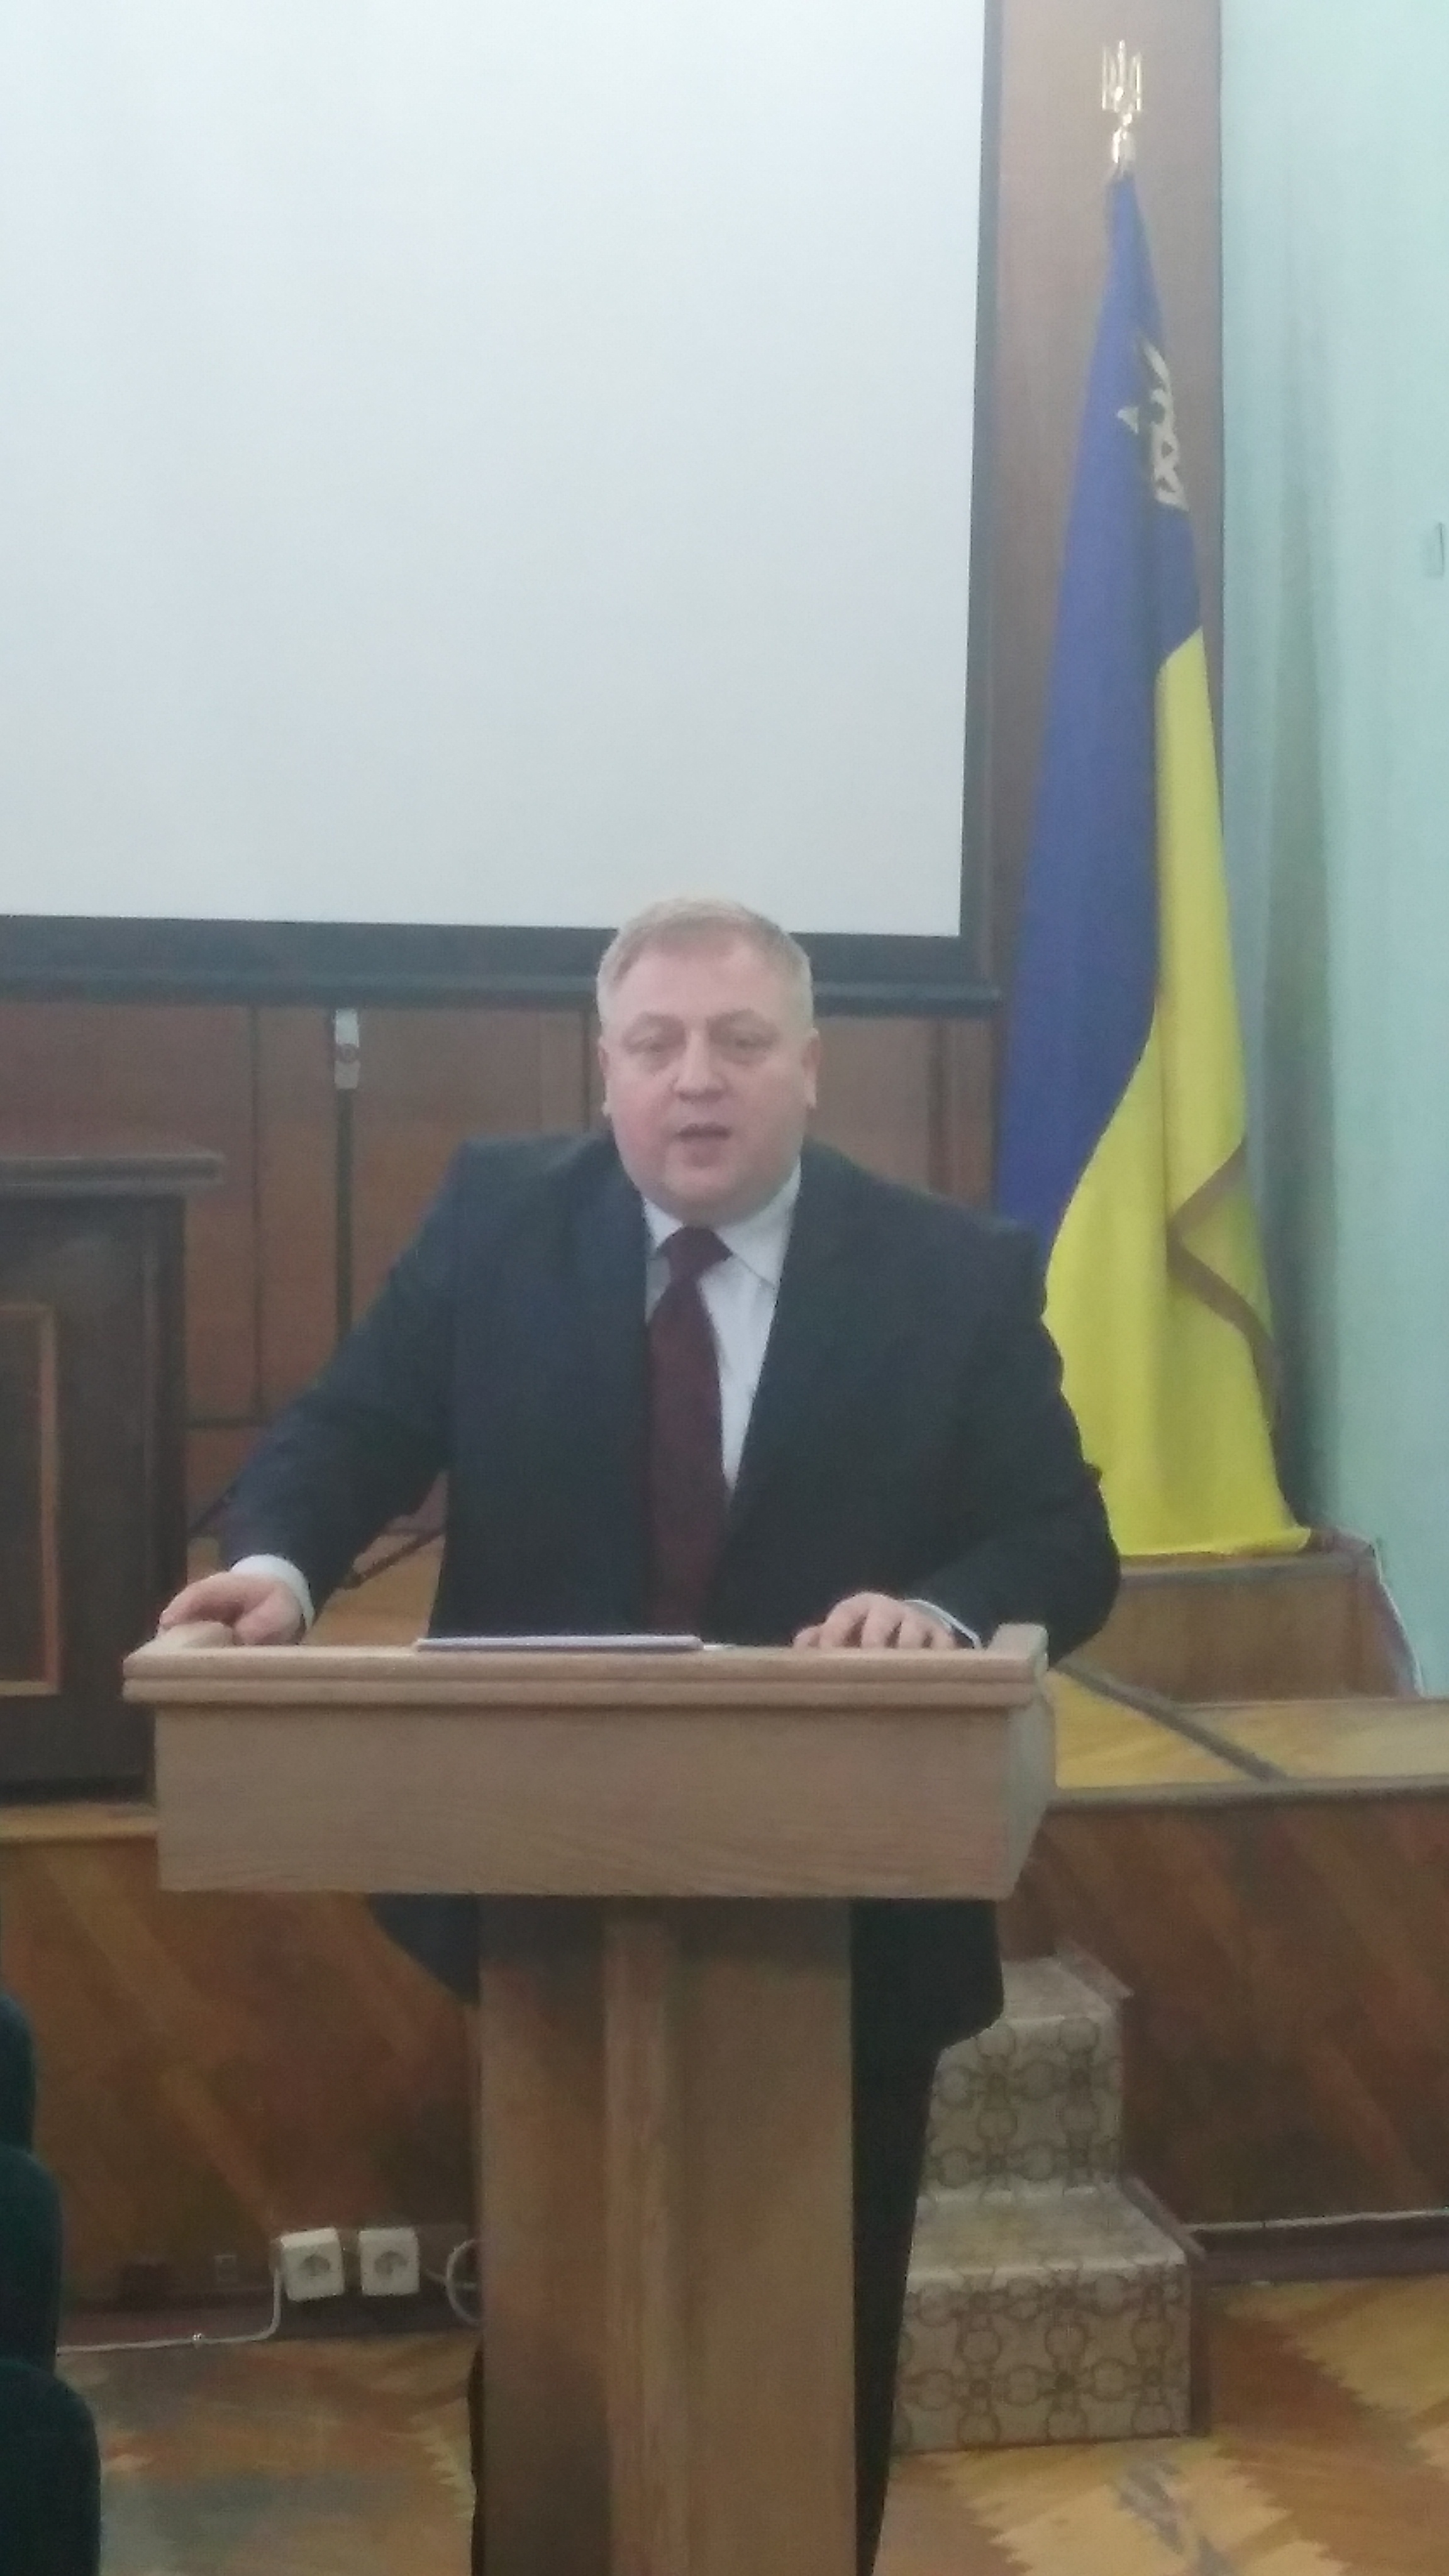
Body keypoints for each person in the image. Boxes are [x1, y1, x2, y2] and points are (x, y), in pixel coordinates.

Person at [161, 896, 1119, 2571]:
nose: (698, 1079)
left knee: (813, 2361)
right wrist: (278, 1569)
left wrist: (944, 1614)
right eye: (657, 1044)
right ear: (600, 1067)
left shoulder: (947, 1272)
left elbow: (1064, 1541)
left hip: (852, 1917)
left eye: (740, 1042)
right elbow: (351, 1428)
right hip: (551, 1901)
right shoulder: (497, 1223)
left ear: (810, 1068)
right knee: (558, 2344)